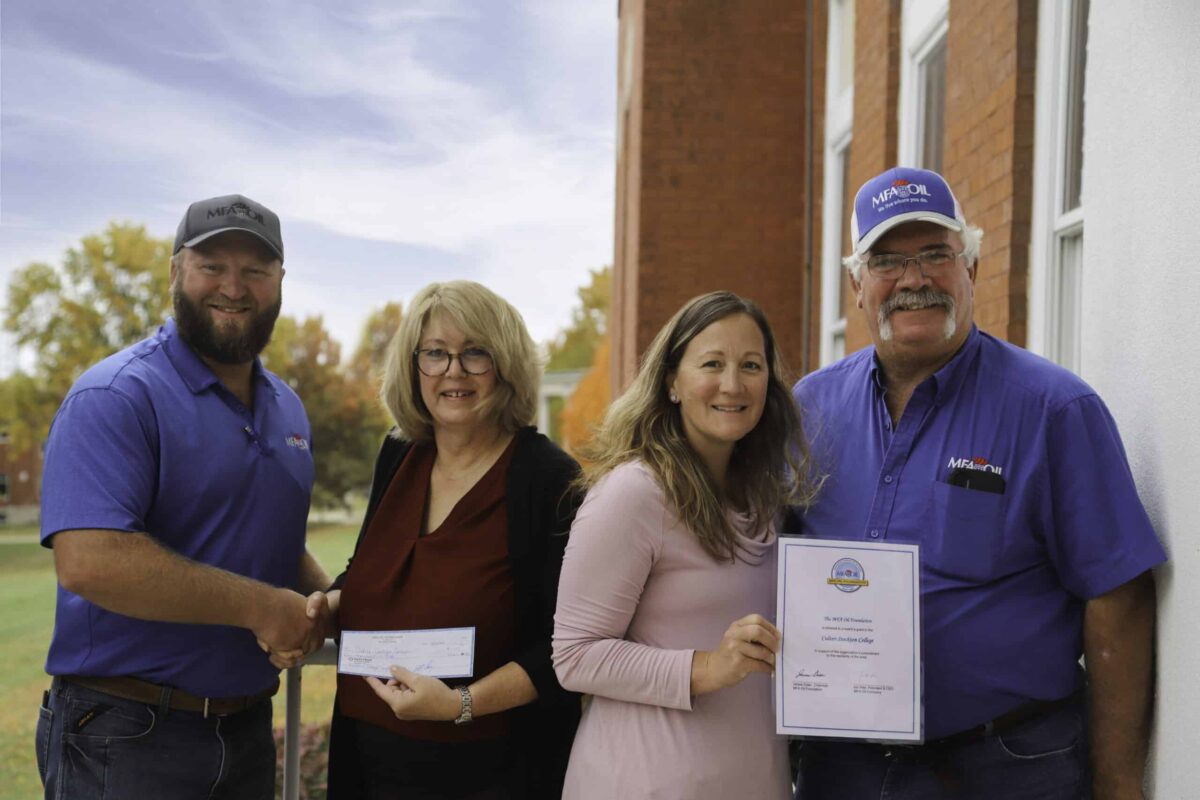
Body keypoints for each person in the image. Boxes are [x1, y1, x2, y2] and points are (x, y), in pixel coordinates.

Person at [789, 166, 1166, 799]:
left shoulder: (1053, 410)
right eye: (887, 261)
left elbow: (1118, 598)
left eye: (936, 254)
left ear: (972, 268)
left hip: (1009, 766)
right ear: (858, 285)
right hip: (843, 769)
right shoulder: (806, 412)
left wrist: (1120, 784)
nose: (914, 279)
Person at [35, 193, 333, 799]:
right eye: (212, 265)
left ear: (279, 282)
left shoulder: (287, 407)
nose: (234, 285)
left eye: (255, 269)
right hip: (125, 734)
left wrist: (327, 603)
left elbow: (271, 539)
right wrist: (261, 608)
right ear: (175, 272)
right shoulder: (116, 396)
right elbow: (90, 560)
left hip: (246, 729)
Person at [552, 291, 819, 799]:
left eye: (751, 365)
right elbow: (575, 656)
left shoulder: (765, 496)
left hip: (753, 780)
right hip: (644, 783)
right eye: (712, 363)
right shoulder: (634, 492)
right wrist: (708, 666)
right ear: (672, 381)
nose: (733, 384)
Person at [321, 280, 581, 800]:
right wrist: (325, 605)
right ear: (414, 367)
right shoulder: (398, 454)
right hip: (369, 762)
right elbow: (371, 569)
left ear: (505, 366)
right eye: (435, 353)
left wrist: (459, 704)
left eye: (475, 353)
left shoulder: (546, 477)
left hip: (492, 771)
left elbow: (566, 649)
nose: (453, 371)